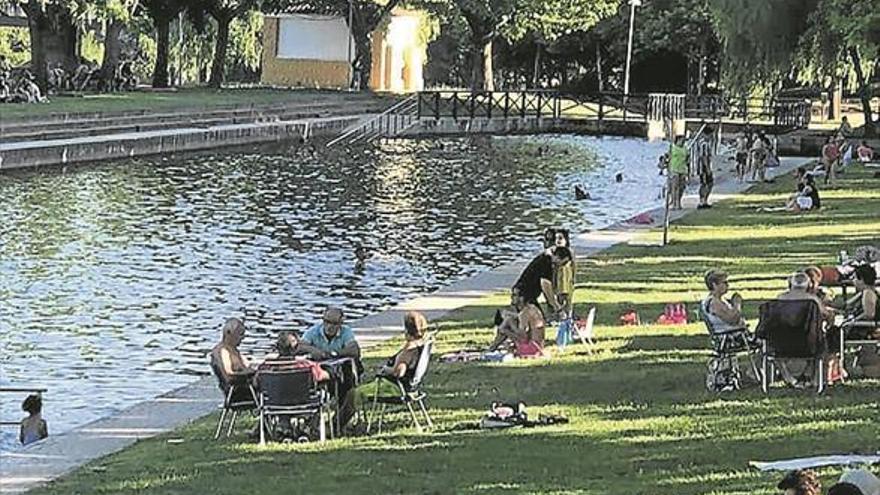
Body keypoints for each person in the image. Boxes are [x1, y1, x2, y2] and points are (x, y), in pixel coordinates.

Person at [378, 311, 428, 382]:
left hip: (396, 385)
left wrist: (385, 369)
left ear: (407, 330)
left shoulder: (410, 349)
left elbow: (399, 372)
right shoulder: (421, 345)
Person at [210, 317, 255, 386]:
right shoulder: (223, 351)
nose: (243, 338)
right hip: (237, 388)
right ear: (229, 333)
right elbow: (229, 374)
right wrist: (250, 373)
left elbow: (246, 363)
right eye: (240, 334)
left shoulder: (232, 349)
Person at [667, 135, 688, 210]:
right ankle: (674, 203)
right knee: (675, 187)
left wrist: (688, 170)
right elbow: (668, 158)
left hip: (683, 169)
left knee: (681, 187)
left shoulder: (685, 148)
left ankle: (679, 201)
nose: (683, 142)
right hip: (674, 169)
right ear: (678, 140)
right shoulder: (672, 148)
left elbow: (687, 159)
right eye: (682, 140)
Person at [697, 126, 714, 208]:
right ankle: (702, 201)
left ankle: (705, 200)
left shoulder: (706, 143)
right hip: (703, 167)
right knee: (705, 184)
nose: (711, 137)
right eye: (710, 135)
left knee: (709, 183)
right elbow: (704, 157)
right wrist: (707, 168)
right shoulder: (703, 144)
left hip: (706, 166)